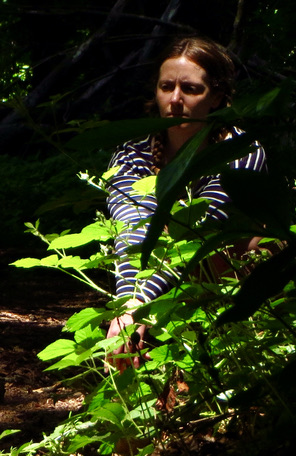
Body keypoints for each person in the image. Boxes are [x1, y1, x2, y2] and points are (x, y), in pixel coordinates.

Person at [104, 35, 267, 371]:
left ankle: (250, 346)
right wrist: (130, 306)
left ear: (217, 97)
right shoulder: (131, 156)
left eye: (190, 89)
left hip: (229, 276)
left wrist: (141, 301)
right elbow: (131, 230)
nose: (175, 99)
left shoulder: (241, 150)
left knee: (250, 239)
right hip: (164, 282)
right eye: (166, 87)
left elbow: (207, 225)